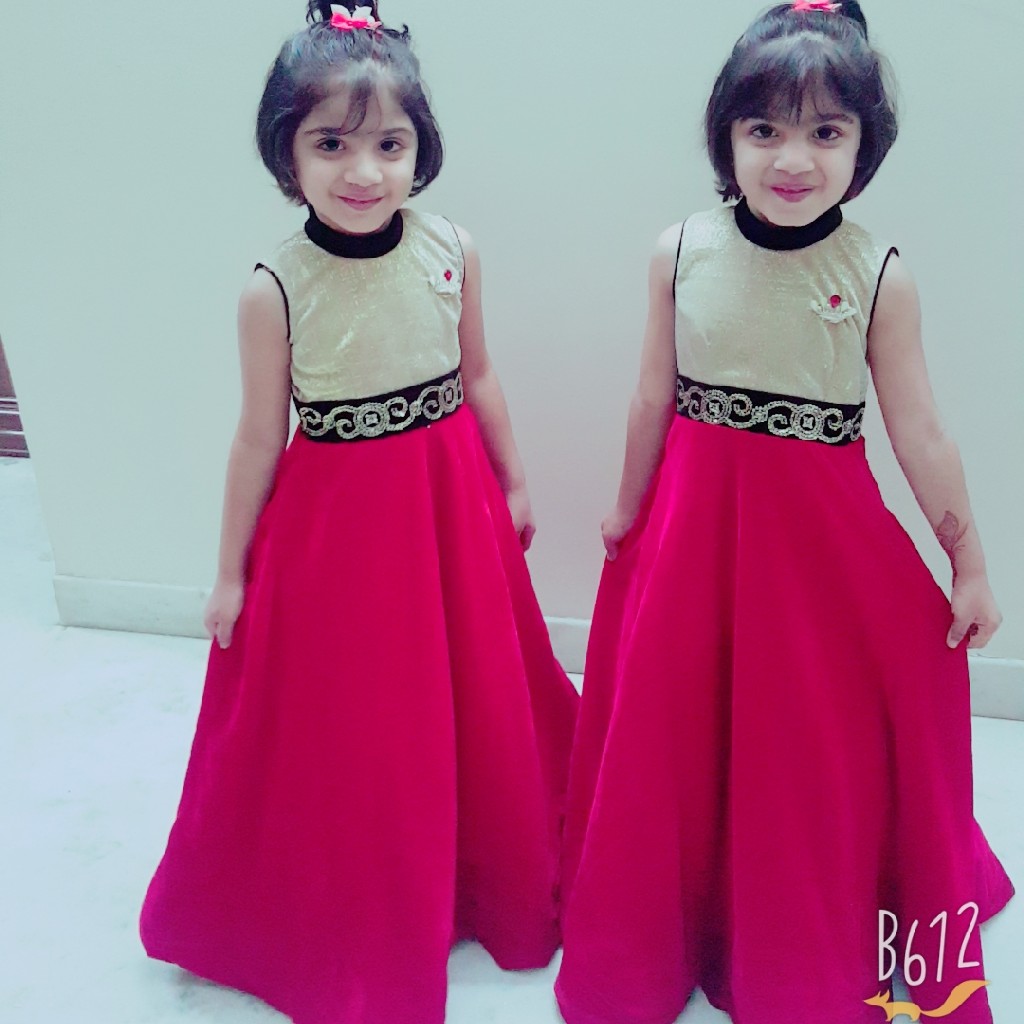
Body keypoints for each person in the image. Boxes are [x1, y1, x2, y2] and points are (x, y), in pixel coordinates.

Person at [554, 3, 1013, 1022]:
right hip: (693, 538)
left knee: (802, 746)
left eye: (824, 130)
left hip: (819, 558)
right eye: (763, 128)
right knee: (682, 730)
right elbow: (651, 397)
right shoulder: (681, 250)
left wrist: (971, 564)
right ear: (725, 136)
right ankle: (678, 915)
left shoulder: (877, 274)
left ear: (863, 144)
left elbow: (920, 432)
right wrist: (625, 512)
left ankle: (794, 923)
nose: (792, 158)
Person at [139, 5, 578, 1022]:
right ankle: (365, 887)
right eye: (330, 144)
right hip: (338, 534)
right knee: (367, 716)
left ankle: (480, 863)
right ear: (286, 154)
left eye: (389, 144)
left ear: (421, 149)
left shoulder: (452, 248)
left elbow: (477, 373)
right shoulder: (274, 289)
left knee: (472, 687)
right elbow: (258, 439)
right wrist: (231, 572)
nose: (363, 172)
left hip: (449, 502)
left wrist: (512, 479)